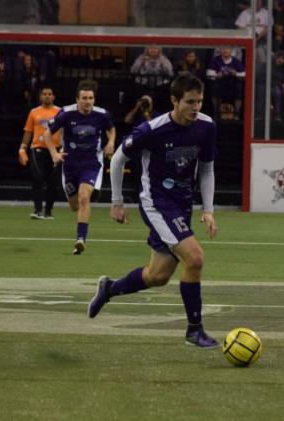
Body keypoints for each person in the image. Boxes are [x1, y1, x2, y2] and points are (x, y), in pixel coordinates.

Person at [86, 74, 219, 349]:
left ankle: (109, 288)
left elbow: (206, 168)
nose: (196, 107)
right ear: (174, 101)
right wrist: (117, 202)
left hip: (182, 205)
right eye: (190, 102)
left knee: (157, 276)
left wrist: (208, 209)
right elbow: (119, 157)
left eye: (199, 101)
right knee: (194, 259)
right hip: (156, 204)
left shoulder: (206, 127)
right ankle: (195, 330)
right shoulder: (152, 130)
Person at [44, 79, 116, 254]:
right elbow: (47, 133)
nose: (88, 101)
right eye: (84, 98)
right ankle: (91, 195)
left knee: (84, 197)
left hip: (91, 163)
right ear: (77, 99)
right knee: (75, 205)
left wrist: (111, 143)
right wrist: (54, 153)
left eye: (91, 98)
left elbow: (111, 129)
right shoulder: (66, 114)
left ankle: (81, 239)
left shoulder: (102, 114)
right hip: (69, 164)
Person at [18, 86, 61, 220]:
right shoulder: (34, 112)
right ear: (40, 97)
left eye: (49, 94)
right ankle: (37, 210)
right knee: (37, 178)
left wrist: (64, 148)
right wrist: (22, 148)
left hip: (55, 150)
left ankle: (48, 211)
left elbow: (66, 131)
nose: (47, 96)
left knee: (53, 181)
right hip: (38, 149)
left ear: (53, 96)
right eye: (44, 94)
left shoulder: (60, 112)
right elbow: (28, 131)